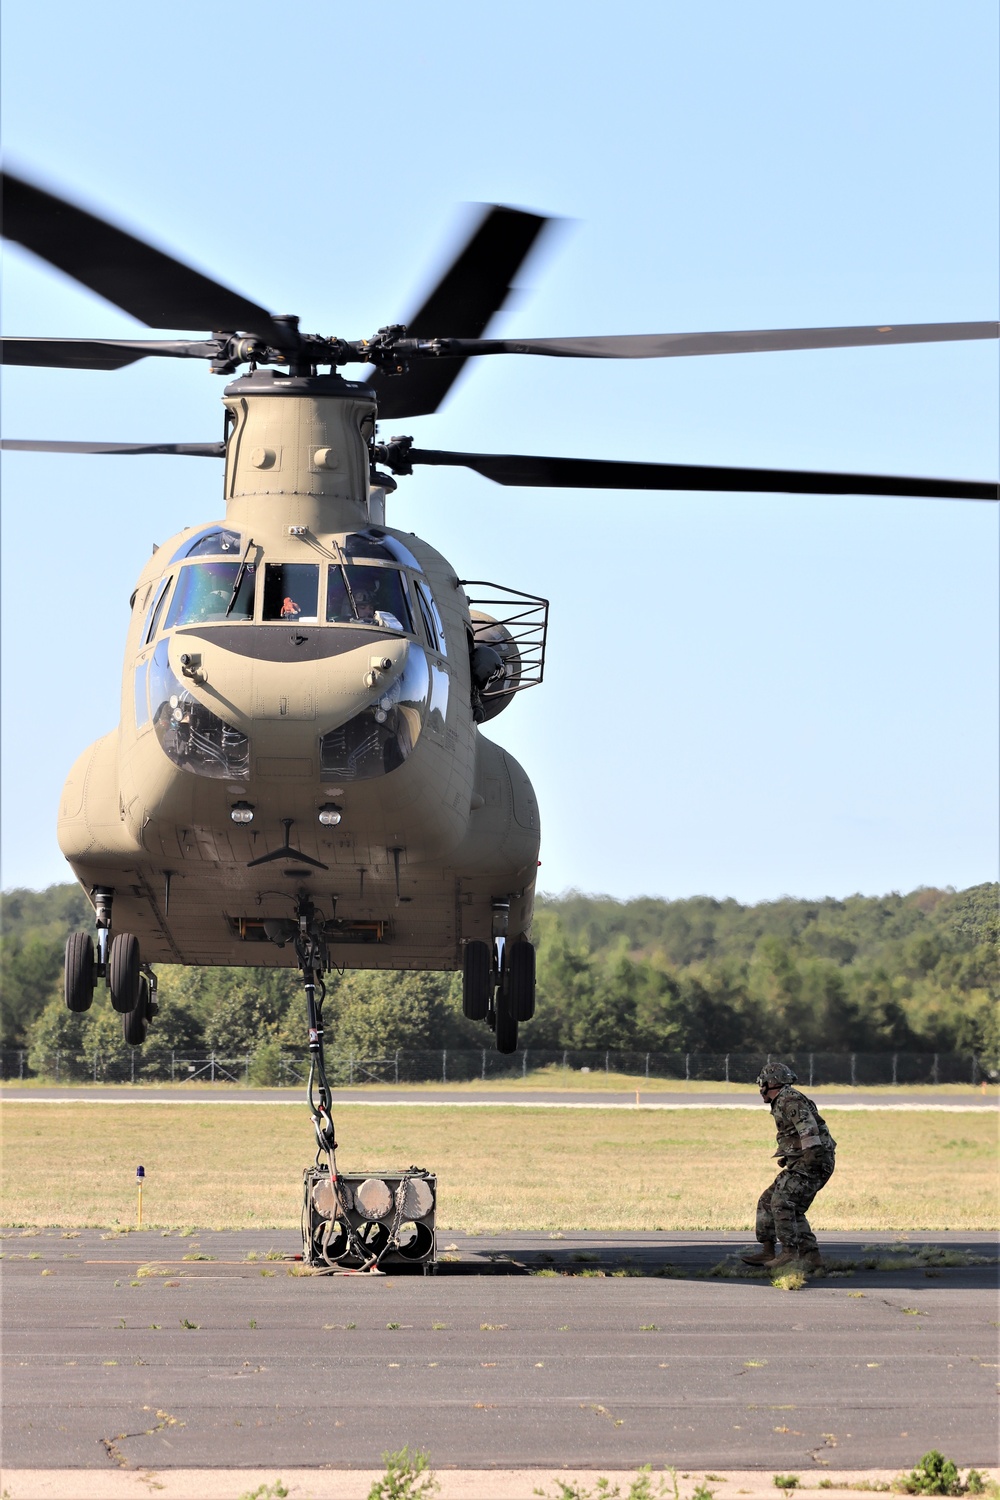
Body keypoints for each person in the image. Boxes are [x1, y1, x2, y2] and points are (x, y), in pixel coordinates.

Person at [742, 1061, 836, 1271]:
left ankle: (789, 1253)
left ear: (771, 1083)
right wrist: (790, 1157)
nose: (761, 1090)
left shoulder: (789, 1100)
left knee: (783, 1202)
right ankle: (804, 1257)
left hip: (815, 1161)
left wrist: (808, 1161)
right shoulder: (784, 1100)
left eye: (763, 1084)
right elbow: (797, 1134)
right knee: (768, 1201)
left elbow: (808, 1129)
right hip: (804, 1160)